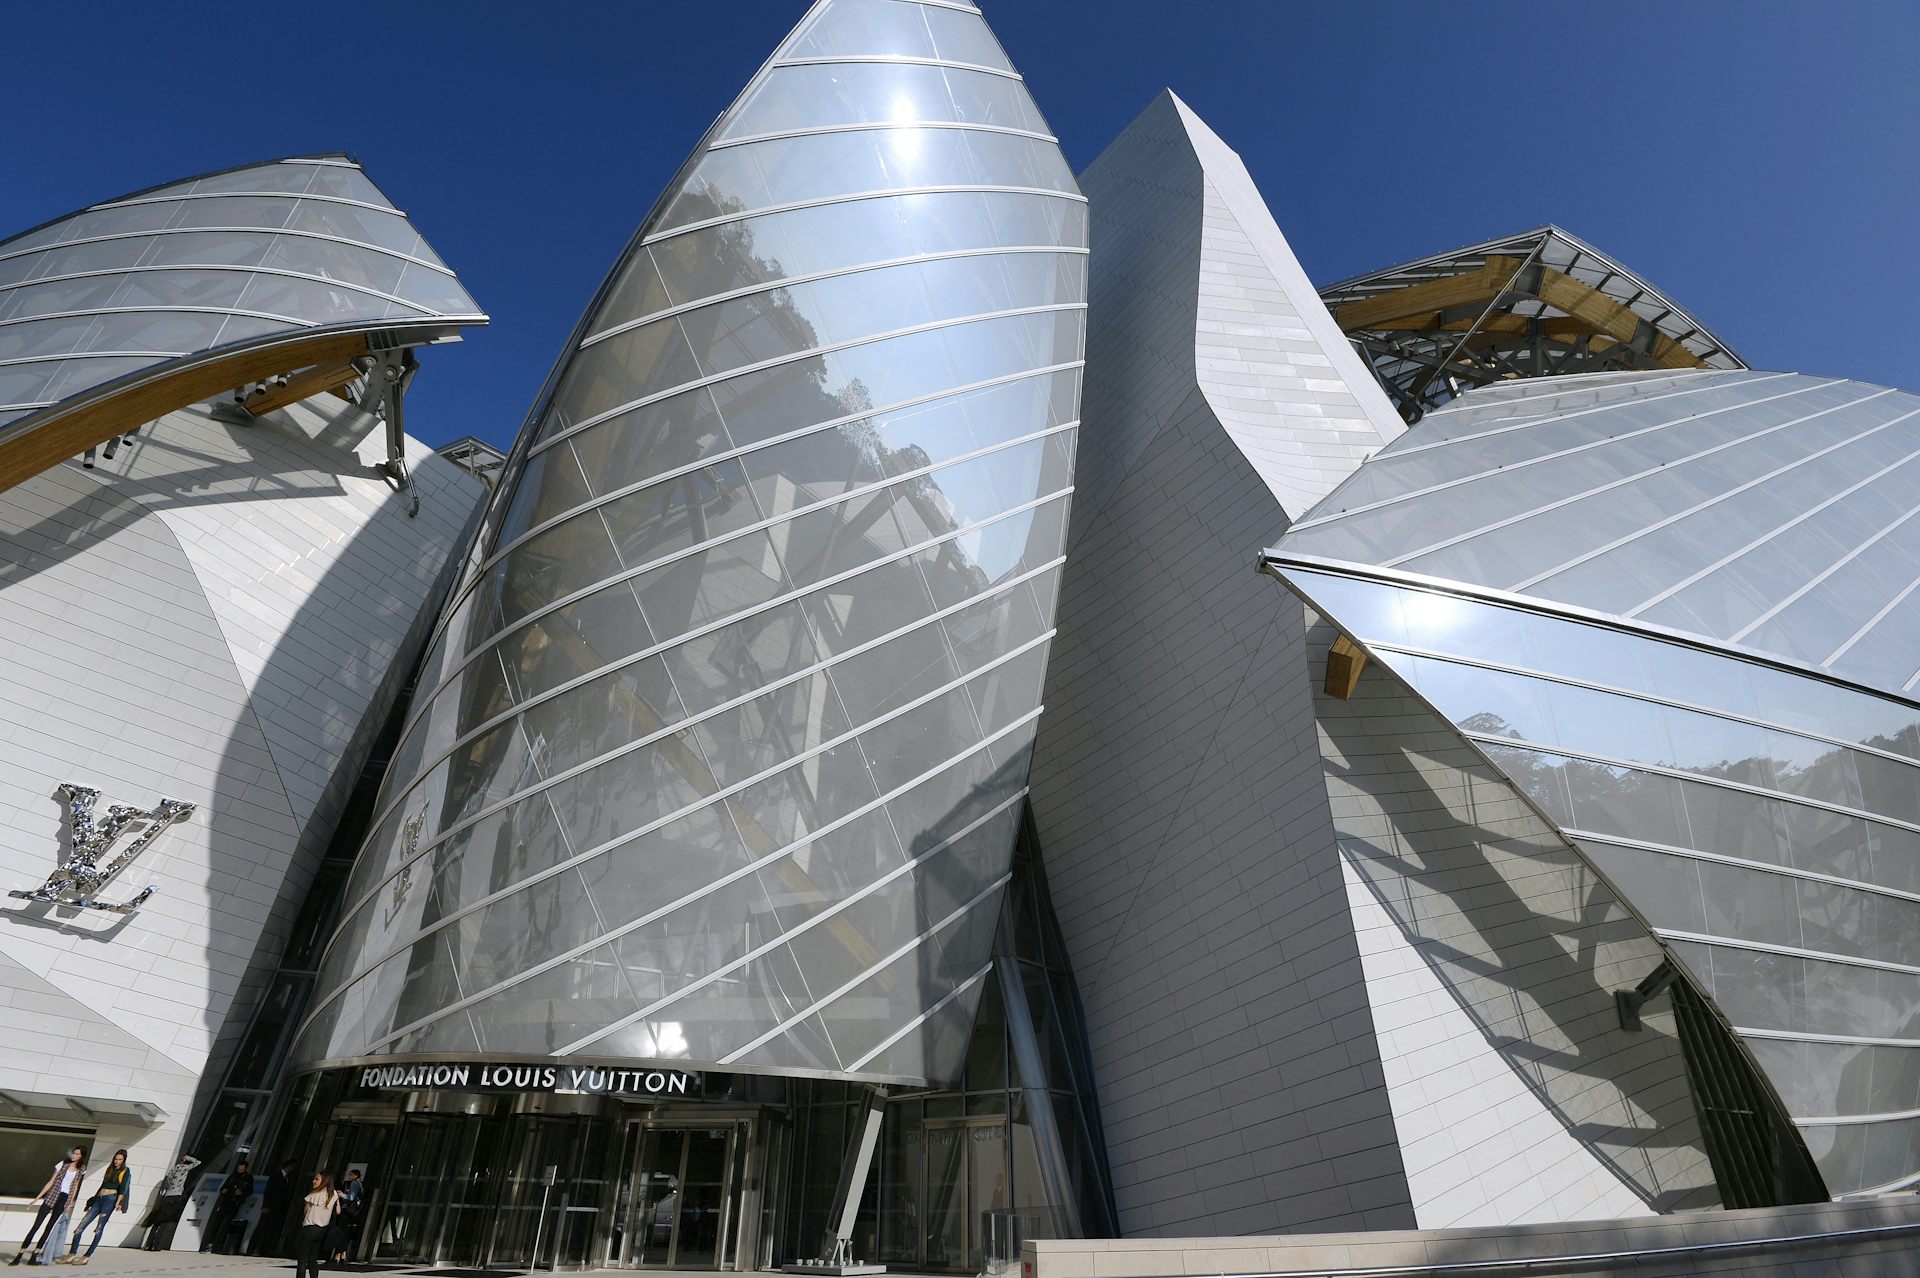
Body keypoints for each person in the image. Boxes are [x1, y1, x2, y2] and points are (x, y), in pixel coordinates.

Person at [11, 1149, 83, 1267]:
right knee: (36, 1226)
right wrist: (37, 1198)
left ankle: (34, 1255)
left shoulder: (80, 1169)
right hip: (52, 1195)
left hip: (64, 1199)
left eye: (77, 1154)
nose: (74, 1155)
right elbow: (51, 1181)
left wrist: (70, 1203)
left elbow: (75, 1187)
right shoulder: (63, 1164)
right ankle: (20, 1254)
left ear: (81, 1156)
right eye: (74, 1153)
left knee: (48, 1228)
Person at [57, 1150, 129, 1265]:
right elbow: (102, 1185)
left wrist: (118, 1202)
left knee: (98, 1229)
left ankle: (86, 1256)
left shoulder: (125, 1170)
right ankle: (71, 1254)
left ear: (124, 1160)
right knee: (80, 1227)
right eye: (116, 1159)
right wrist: (91, 1202)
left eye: (120, 1159)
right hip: (98, 1199)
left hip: (110, 1200)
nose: (117, 1161)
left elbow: (123, 1188)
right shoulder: (110, 1169)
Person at [139, 1155, 200, 1251]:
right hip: (175, 1197)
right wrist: (188, 1157)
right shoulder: (184, 1168)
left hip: (166, 1197)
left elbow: (167, 1182)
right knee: (164, 1223)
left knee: (157, 1222)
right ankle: (155, 1245)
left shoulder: (173, 1169)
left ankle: (148, 1244)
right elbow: (198, 1162)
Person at [292, 1173, 340, 1278]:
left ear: (324, 1181)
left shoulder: (314, 1194)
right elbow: (338, 1211)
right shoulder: (333, 1194)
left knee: (302, 1259)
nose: (314, 1181)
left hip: (309, 1227)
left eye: (317, 1179)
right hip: (322, 1230)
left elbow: (306, 1211)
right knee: (313, 1258)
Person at [199, 1159, 250, 1255]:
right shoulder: (232, 1176)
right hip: (225, 1202)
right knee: (217, 1223)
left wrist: (241, 1193)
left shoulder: (248, 1179)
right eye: (238, 1168)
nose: (239, 1170)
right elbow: (223, 1187)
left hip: (235, 1203)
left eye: (241, 1169)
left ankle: (223, 1245)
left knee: (228, 1225)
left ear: (245, 1168)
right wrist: (223, 1191)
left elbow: (249, 1191)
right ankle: (210, 1244)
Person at [252, 1159, 299, 1257]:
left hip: (279, 1208)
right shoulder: (275, 1176)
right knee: (261, 1227)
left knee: (271, 1230)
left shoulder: (288, 1178)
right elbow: (268, 1191)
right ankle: (251, 1249)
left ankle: (264, 1250)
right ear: (288, 1166)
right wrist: (265, 1205)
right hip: (270, 1206)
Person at [332, 1170, 366, 1264]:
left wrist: (341, 1194)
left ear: (355, 1175)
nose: (349, 1176)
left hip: (347, 1210)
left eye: (351, 1174)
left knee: (341, 1232)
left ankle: (339, 1253)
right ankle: (343, 1253)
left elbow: (351, 1197)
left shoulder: (354, 1183)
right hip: (352, 1212)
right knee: (345, 1232)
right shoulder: (359, 1184)